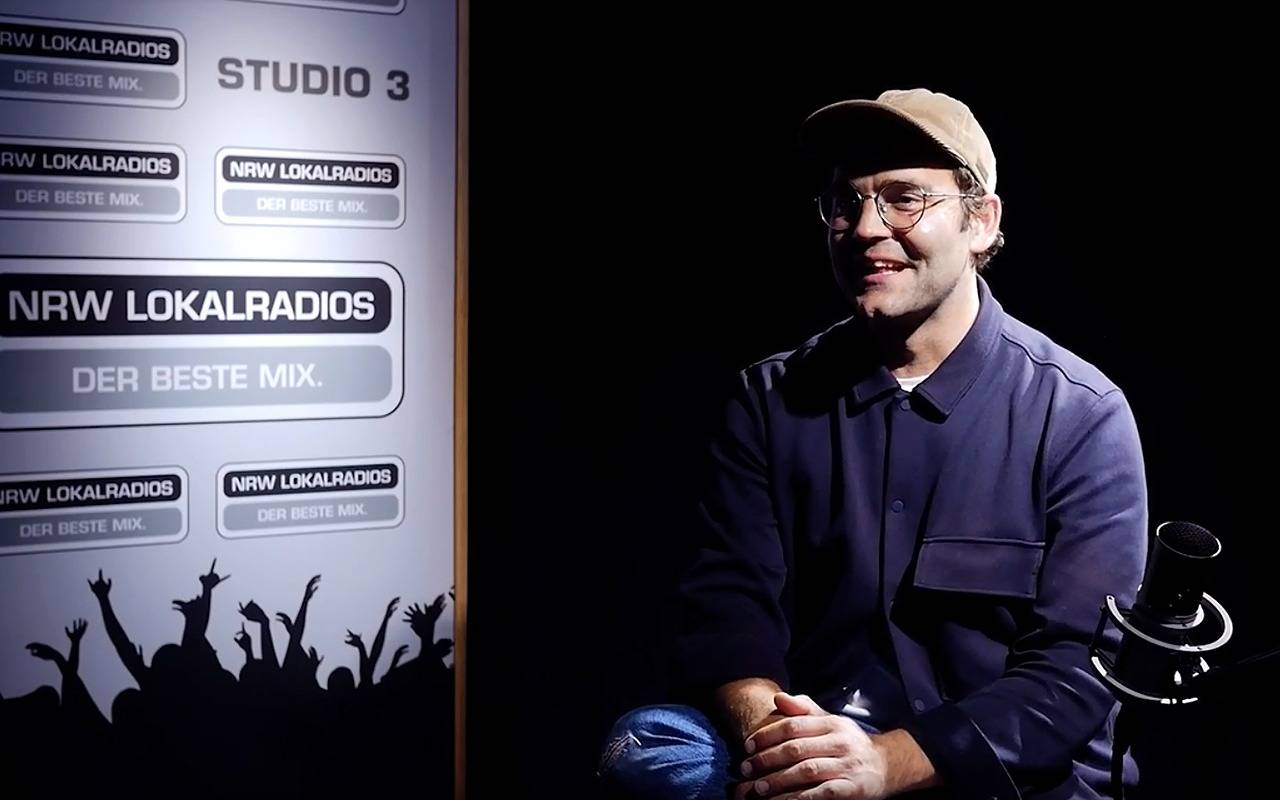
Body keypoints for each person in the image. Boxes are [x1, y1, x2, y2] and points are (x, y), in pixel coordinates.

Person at [598, 88, 1147, 800]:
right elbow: (729, 612)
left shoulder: (1079, 414)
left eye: (903, 199)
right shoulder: (768, 400)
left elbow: (1077, 673)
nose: (865, 228)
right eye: (845, 202)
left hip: (997, 779)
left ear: (981, 221)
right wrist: (792, 746)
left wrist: (888, 763)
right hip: (820, 753)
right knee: (649, 748)